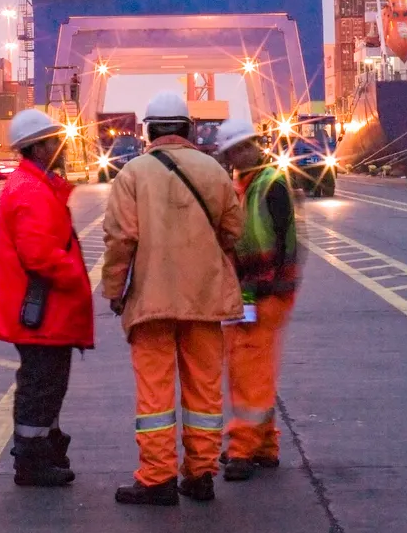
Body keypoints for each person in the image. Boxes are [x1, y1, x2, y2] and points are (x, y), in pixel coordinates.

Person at [101, 89, 243, 506]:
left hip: (151, 300)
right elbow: (234, 231)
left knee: (155, 393)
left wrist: (114, 291)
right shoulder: (214, 171)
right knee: (204, 390)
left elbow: (121, 240)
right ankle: (200, 475)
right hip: (204, 298)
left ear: (148, 130)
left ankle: (157, 478)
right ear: (189, 128)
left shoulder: (132, 174)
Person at [0, 106, 93, 488]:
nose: (62, 147)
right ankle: (32, 462)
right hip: (43, 311)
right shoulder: (32, 191)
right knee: (41, 384)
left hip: (42, 310)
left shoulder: (33, 185)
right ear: (37, 148)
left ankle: (44, 449)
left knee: (46, 384)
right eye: (56, 141)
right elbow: (39, 254)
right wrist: (77, 278)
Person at [213, 116, 299, 480]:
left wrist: (272, 284)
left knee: (248, 370)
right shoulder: (245, 184)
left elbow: (286, 243)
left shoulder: (269, 184)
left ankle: (242, 449)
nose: (238, 155)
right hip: (249, 290)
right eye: (233, 151)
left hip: (264, 291)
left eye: (242, 148)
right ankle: (265, 445)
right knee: (253, 368)